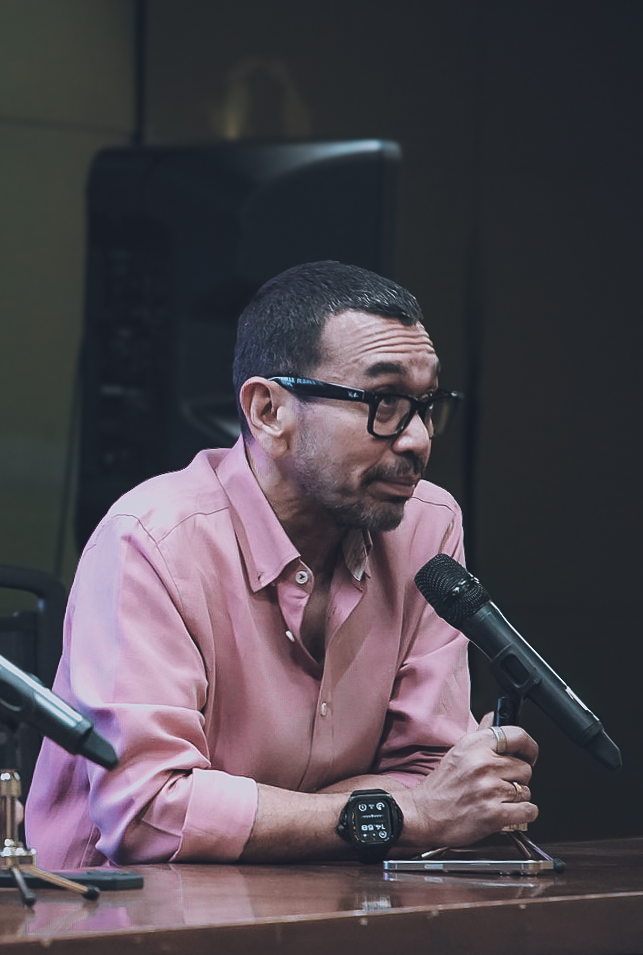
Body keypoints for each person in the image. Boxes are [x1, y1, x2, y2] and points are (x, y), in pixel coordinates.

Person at [26, 261, 538, 867]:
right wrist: (401, 815)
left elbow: (433, 772)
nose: (418, 439)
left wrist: (302, 819)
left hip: (325, 899)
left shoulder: (425, 524)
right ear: (268, 411)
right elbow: (148, 814)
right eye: (384, 402)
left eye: (426, 405)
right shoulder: (152, 541)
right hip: (119, 909)